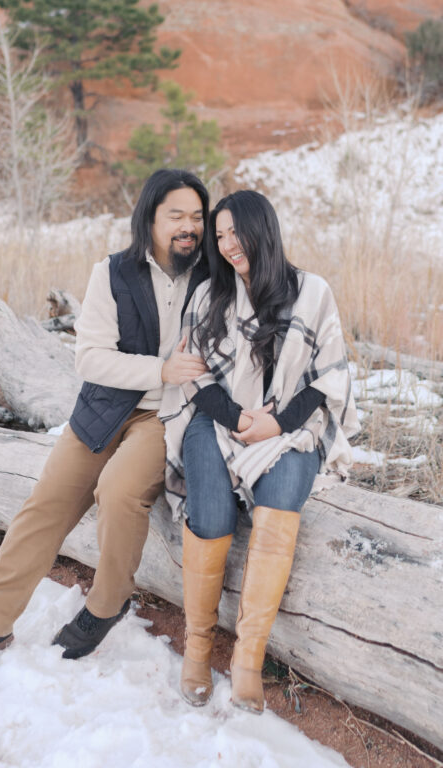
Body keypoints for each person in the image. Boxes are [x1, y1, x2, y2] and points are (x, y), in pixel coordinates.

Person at [0, 168, 210, 666]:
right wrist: (163, 368)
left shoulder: (215, 277)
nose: (189, 226)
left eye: (197, 217)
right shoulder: (112, 273)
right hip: (104, 408)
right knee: (45, 506)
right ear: (150, 218)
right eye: (176, 216)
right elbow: (90, 358)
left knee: (120, 491)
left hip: (167, 416)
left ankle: (107, 605)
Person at [160, 189, 357, 713]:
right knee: (211, 513)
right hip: (219, 422)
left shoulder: (312, 292)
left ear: (262, 230)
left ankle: (248, 659)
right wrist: (239, 418)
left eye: (234, 232)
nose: (226, 245)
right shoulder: (209, 296)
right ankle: (198, 648)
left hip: (290, 429)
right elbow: (194, 379)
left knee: (280, 505)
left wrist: (276, 422)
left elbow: (328, 375)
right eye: (218, 235)